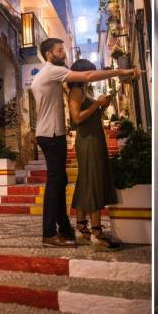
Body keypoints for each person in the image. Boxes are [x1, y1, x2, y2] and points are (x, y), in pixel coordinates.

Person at [30, 38, 141, 247]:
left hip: (50, 133)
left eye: (63, 49)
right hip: (52, 134)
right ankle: (48, 233)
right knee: (55, 184)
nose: (64, 53)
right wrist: (121, 72)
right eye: (60, 50)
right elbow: (88, 75)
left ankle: (64, 229)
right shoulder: (52, 71)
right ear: (48, 54)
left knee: (60, 182)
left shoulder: (44, 74)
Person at [68, 59, 119, 249]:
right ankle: (97, 232)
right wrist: (96, 103)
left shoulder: (83, 90)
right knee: (94, 181)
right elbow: (76, 118)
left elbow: (90, 114)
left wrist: (101, 105)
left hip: (94, 138)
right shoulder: (76, 91)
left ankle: (82, 228)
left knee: (86, 181)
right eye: (90, 72)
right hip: (88, 140)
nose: (93, 75)